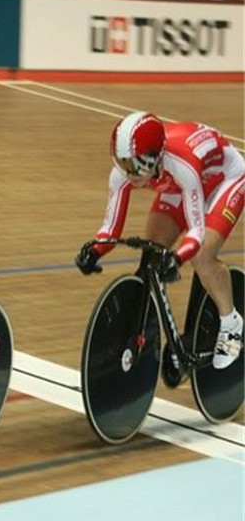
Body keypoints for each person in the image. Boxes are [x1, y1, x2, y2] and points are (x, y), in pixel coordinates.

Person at [75, 112, 244, 370]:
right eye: (123, 163)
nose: (130, 173)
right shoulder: (124, 173)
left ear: (157, 156)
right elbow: (110, 228)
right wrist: (95, 250)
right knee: (153, 247)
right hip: (179, 186)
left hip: (225, 179)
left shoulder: (182, 164)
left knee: (201, 256)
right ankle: (147, 327)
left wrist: (178, 258)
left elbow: (196, 232)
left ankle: (231, 324)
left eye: (138, 165)